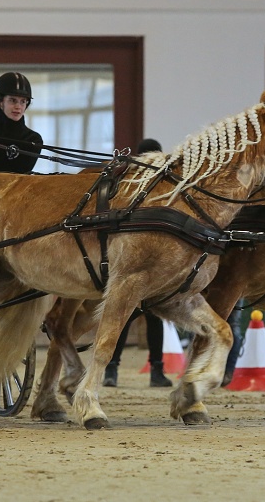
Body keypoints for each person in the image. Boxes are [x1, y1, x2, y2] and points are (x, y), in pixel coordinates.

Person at [103, 138, 173, 388]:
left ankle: (142, 369)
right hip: (136, 261)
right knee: (127, 316)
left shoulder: (163, 187)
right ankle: (116, 368)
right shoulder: (131, 185)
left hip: (152, 263)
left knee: (144, 318)